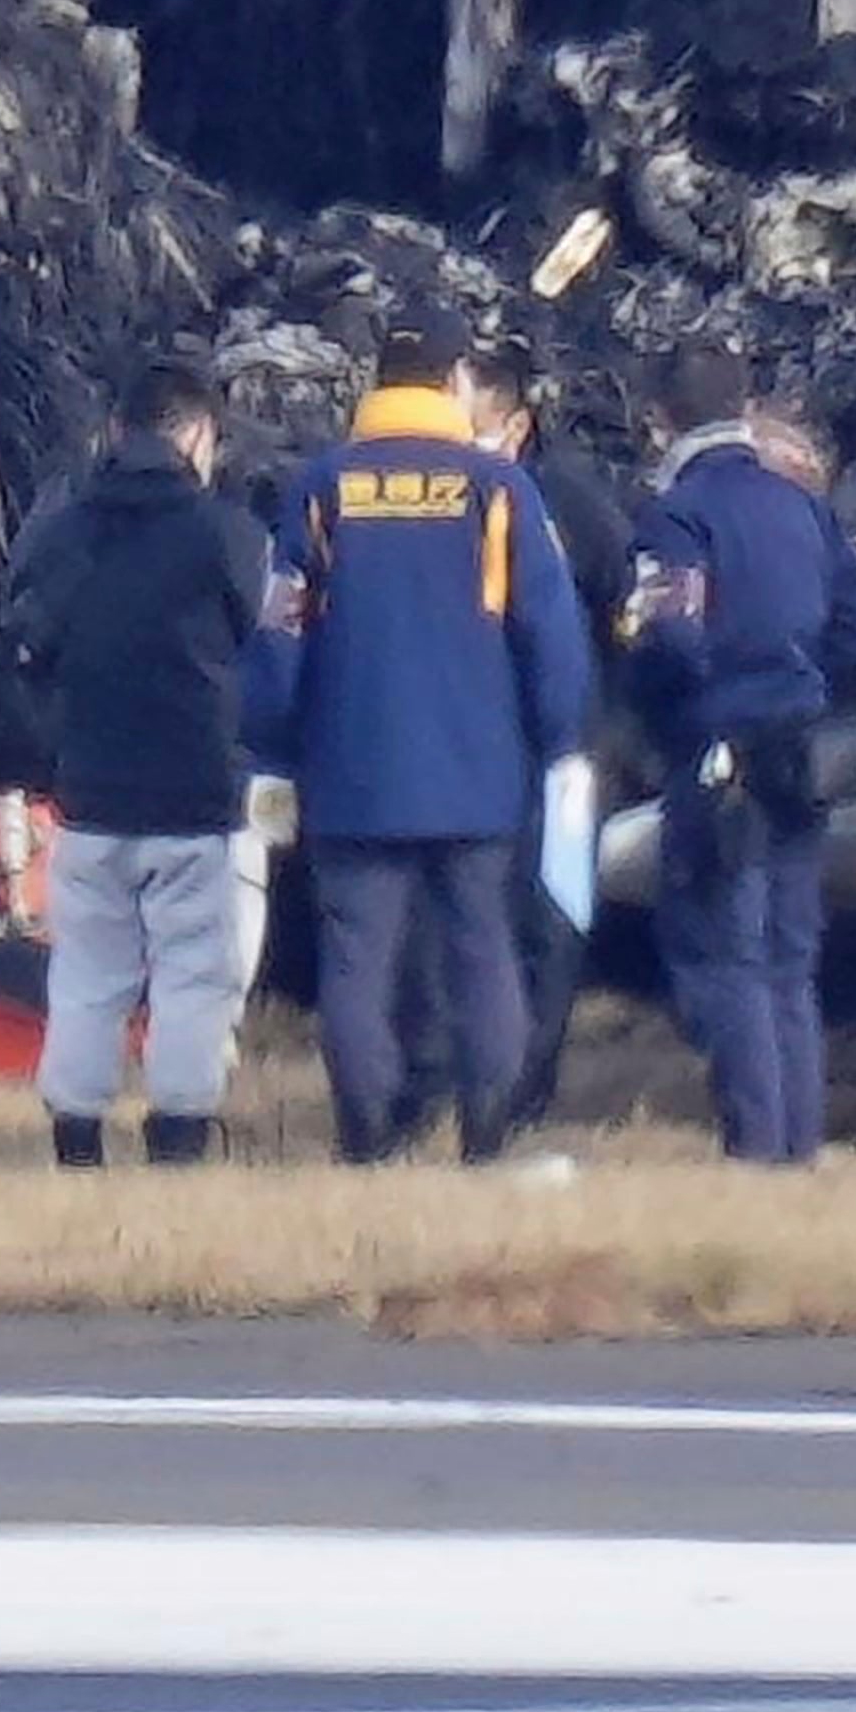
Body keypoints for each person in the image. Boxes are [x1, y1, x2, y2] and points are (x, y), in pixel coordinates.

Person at [253, 328, 589, 1166]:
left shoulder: (322, 487)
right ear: (449, 386)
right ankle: (487, 1131)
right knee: (483, 949)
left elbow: (282, 631)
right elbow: (549, 629)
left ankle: (367, 1136)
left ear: (373, 388)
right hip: (479, 774)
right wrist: (561, 738)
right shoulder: (500, 488)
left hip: (352, 773)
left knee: (358, 958)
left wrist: (269, 746)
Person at [0, 351, 279, 1167]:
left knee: (87, 976)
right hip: (198, 797)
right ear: (197, 435)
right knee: (195, 977)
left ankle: (76, 1138)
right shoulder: (227, 533)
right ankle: (179, 1137)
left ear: (116, 431)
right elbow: (263, 643)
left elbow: (21, 645)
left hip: (89, 793)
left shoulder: (64, 529)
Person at [620, 342, 856, 1168]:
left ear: (661, 418)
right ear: (747, 407)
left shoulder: (677, 515)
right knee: (790, 955)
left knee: (725, 951)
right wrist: (803, 680)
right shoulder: (801, 505)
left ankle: (756, 1144)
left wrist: (674, 705)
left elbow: (668, 635)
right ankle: (799, 1143)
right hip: (802, 750)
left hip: (717, 748)